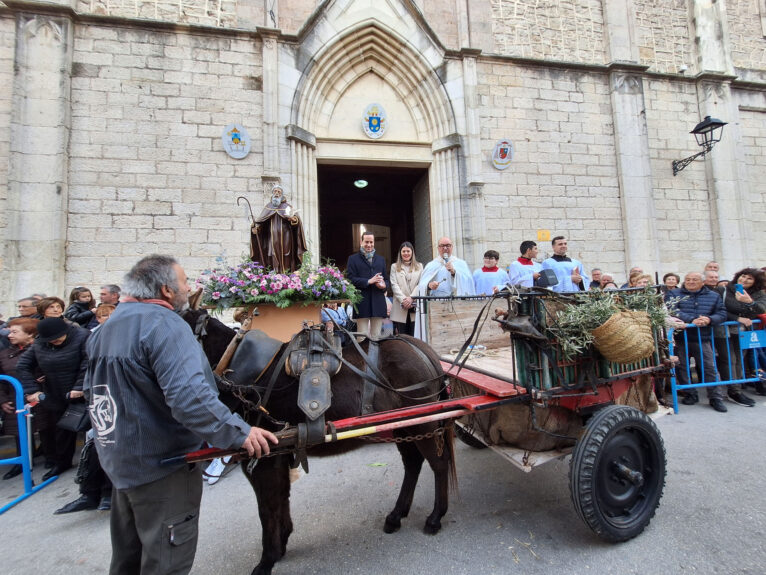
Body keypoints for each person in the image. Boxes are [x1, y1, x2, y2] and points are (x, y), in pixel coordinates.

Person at [83, 254, 277, 574]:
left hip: (121, 462)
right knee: (165, 562)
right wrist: (239, 432)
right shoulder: (165, 324)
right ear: (167, 290)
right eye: (185, 282)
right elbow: (189, 400)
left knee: (128, 559)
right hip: (163, 466)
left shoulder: (109, 325)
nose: (189, 287)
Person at [16, 317, 90, 480]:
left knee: (91, 432)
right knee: (61, 431)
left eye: (58, 338)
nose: (54, 342)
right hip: (55, 392)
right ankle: (62, 462)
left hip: (82, 392)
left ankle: (92, 469)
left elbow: (88, 363)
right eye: (51, 340)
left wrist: (79, 388)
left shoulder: (83, 336)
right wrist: (32, 390)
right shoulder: (40, 343)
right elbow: (22, 366)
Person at [665, 272, 728, 412]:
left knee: (709, 367)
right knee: (682, 367)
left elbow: (722, 313)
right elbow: (672, 310)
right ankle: (690, 393)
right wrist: (692, 319)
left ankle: (715, 397)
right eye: (688, 279)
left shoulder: (713, 296)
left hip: (702, 337)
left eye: (694, 279)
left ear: (702, 282)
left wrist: (709, 320)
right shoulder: (674, 293)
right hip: (680, 337)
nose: (691, 282)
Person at [713, 268, 766, 405]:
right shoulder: (723, 290)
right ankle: (734, 391)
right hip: (723, 329)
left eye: (749, 278)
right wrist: (737, 318)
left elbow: (762, 309)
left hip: (743, 331)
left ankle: (737, 388)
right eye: (743, 276)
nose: (744, 280)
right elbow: (717, 309)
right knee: (729, 359)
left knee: (739, 359)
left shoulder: (758, 293)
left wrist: (750, 302)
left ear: (755, 282)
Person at [0, 318, 41, 480]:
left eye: (14, 332)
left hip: (40, 396)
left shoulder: (42, 349)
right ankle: (21, 461)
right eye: (9, 331)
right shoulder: (3, 354)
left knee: (48, 429)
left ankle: (54, 460)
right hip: (15, 397)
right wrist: (2, 399)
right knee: (19, 431)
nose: (9, 335)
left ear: (30, 334)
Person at [249, 185, 307, 273]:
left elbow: (296, 221)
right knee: (271, 254)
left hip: (286, 237)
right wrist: (256, 228)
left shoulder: (287, 207)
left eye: (279, 192)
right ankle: (273, 275)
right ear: (272, 193)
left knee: (286, 254)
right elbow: (261, 222)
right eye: (275, 191)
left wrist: (294, 220)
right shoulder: (268, 207)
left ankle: (286, 275)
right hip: (271, 237)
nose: (276, 193)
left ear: (282, 194)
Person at [347, 232, 389, 339]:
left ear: (374, 243)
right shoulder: (353, 259)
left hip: (378, 303)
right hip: (362, 304)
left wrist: (384, 285)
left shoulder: (381, 260)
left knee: (376, 338)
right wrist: (368, 281)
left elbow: (387, 281)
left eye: (371, 242)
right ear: (361, 242)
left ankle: (375, 357)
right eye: (366, 242)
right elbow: (351, 279)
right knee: (361, 338)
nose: (369, 245)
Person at [389, 241, 422, 336]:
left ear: (412, 252)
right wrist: (404, 300)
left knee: (414, 337)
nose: (406, 253)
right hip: (400, 306)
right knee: (402, 338)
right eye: (404, 251)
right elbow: (394, 284)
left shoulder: (419, 266)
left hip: (415, 306)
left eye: (408, 251)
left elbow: (421, 284)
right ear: (400, 253)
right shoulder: (394, 267)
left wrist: (411, 298)